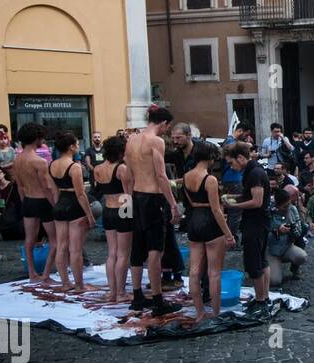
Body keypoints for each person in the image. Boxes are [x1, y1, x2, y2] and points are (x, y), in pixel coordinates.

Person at [126, 106, 183, 315]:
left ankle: (137, 295)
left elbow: (127, 173)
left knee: (137, 247)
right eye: (168, 127)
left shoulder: (131, 139)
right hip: (153, 198)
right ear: (164, 124)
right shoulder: (156, 141)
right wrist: (173, 204)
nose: (167, 131)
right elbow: (161, 176)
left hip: (136, 196)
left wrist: (128, 200)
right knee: (155, 249)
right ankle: (158, 300)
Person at [183, 142, 235, 320]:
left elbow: (191, 203)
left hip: (193, 222)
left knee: (194, 271)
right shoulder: (210, 179)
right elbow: (216, 210)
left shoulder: (186, 176)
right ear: (210, 158)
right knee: (214, 273)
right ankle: (215, 312)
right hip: (210, 224)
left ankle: (199, 313)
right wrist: (228, 233)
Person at [222, 142, 271, 312]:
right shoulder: (251, 171)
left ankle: (260, 301)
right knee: (262, 260)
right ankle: (264, 297)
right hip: (259, 221)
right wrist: (233, 197)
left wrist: (233, 206)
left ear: (241, 158)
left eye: (231, 162)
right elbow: (249, 195)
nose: (231, 166)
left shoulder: (255, 173)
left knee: (254, 263)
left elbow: (257, 201)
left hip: (256, 223)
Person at [12, 123, 59, 285]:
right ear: (37, 139)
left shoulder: (17, 160)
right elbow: (46, 187)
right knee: (55, 240)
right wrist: (55, 204)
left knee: (29, 240)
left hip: (28, 200)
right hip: (43, 201)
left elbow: (19, 186)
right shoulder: (39, 162)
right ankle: (45, 274)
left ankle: (32, 274)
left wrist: (25, 202)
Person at [47, 131, 95, 293]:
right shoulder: (75, 167)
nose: (77, 147)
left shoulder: (52, 164)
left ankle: (65, 283)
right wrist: (89, 215)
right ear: (71, 147)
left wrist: (58, 206)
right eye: (76, 144)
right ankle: (79, 285)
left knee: (61, 246)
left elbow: (54, 191)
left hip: (60, 204)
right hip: (74, 205)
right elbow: (80, 194)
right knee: (75, 249)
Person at [92, 136, 134, 303]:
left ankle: (112, 291)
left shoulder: (98, 168)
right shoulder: (121, 168)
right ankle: (121, 292)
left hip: (108, 209)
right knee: (123, 254)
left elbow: (100, 189)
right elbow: (128, 194)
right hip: (122, 208)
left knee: (112, 253)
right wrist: (131, 216)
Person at [268, 187, 308, 286]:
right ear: (277, 206)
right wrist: (276, 231)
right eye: (285, 206)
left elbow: (298, 233)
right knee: (275, 281)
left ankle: (294, 269)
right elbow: (262, 235)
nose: (288, 208)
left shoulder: (292, 209)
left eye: (289, 204)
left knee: (301, 256)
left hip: (286, 247)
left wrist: (292, 228)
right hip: (271, 250)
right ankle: (271, 266)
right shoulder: (268, 212)